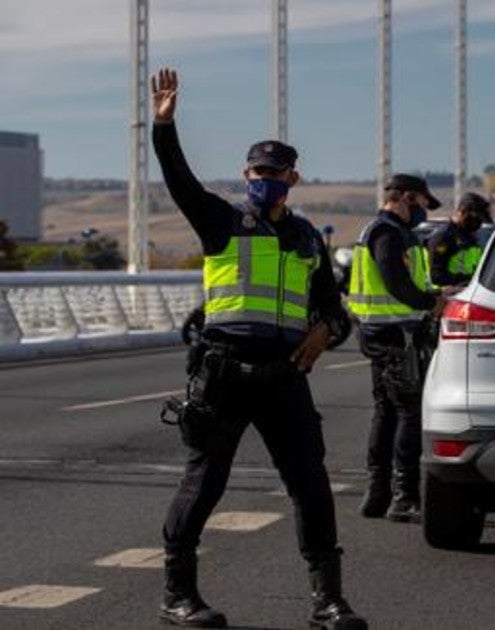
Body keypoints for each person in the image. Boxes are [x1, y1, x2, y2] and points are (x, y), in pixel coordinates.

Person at [150, 68, 366, 630]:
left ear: (292, 177)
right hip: (223, 373)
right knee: (204, 482)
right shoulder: (219, 220)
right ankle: (179, 595)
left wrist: (326, 334)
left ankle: (328, 601)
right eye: (256, 171)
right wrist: (164, 127)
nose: (264, 179)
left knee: (311, 484)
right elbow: (178, 180)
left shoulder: (306, 238)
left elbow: (333, 312)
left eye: (275, 172)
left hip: (285, 376)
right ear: (245, 175)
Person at [350, 174, 452, 523]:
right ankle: (403, 495)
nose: (425, 212)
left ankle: (377, 495)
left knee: (387, 410)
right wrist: (432, 302)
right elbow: (396, 283)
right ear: (407, 197)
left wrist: (437, 292)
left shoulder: (387, 231)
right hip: (394, 333)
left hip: (384, 330)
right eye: (423, 203)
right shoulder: (387, 232)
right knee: (407, 409)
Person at [426, 192, 492, 288]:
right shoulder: (443, 237)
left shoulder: (471, 237)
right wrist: (464, 282)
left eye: (481, 220)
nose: (478, 223)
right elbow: (436, 276)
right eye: (475, 219)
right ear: (462, 212)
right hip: (447, 296)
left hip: (468, 294)